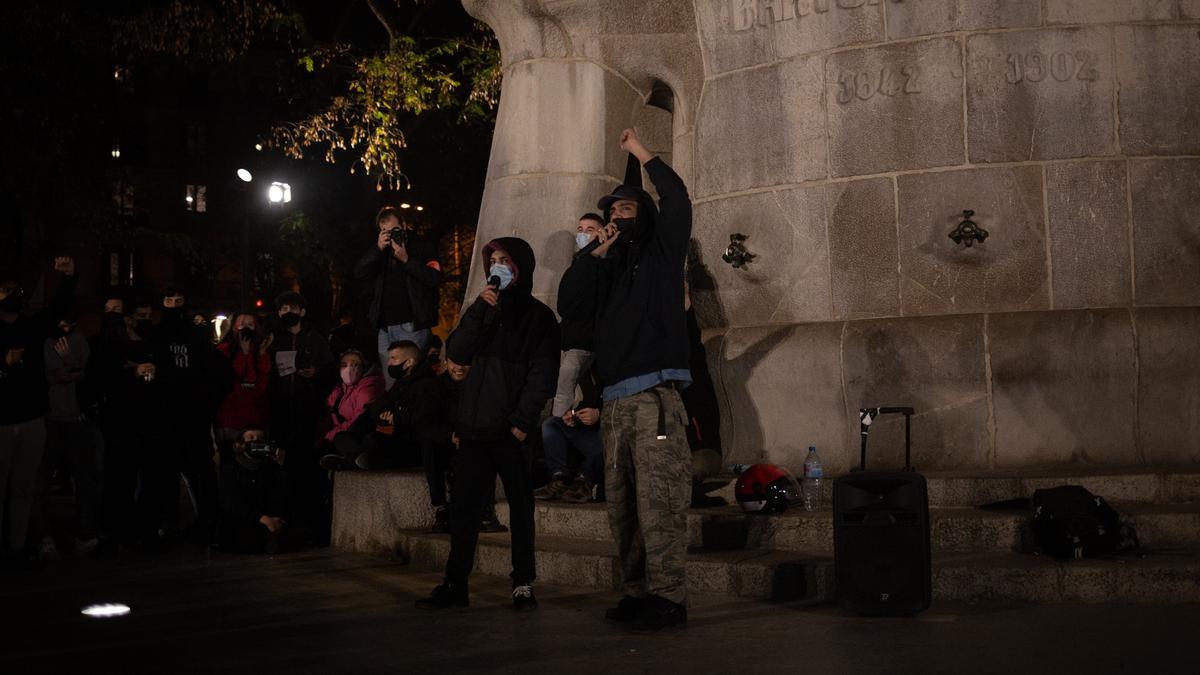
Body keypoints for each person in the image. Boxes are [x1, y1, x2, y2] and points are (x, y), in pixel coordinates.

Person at [558, 128, 693, 631]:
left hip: (653, 398)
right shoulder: (607, 269)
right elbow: (569, 305)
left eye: (625, 211)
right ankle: (636, 592)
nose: (615, 218)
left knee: (660, 504)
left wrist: (640, 154)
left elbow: (676, 198)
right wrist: (594, 255)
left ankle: (669, 597)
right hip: (614, 404)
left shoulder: (661, 255)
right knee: (623, 507)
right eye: (611, 213)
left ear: (645, 219)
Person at [416, 237, 559, 612]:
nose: (498, 266)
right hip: (474, 428)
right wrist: (480, 309)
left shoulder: (539, 317)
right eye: (493, 260)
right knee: (463, 511)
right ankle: (455, 583)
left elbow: (542, 376)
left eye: (505, 261)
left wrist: (521, 424)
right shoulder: (480, 308)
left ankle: (523, 583)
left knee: (520, 509)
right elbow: (458, 352)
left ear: (520, 268)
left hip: (510, 433)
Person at [0, 257, 75, 566]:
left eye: (14, 290)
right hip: (1, 422)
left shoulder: (30, 326)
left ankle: (17, 547)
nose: (11, 295)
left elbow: (55, 312)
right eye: (4, 290)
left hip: (31, 419)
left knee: (24, 488)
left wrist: (68, 279)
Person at [89, 297, 173, 550]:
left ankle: (148, 529)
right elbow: (104, 381)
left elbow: (169, 377)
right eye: (137, 316)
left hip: (152, 422)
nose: (141, 322)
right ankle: (118, 530)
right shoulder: (111, 346)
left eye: (146, 316)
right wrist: (132, 374)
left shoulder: (155, 345)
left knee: (152, 479)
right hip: (122, 424)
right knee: (120, 478)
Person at [154, 289, 227, 542]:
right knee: (166, 472)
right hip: (165, 418)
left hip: (194, 418)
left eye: (178, 301)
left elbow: (216, 373)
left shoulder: (197, 335)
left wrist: (206, 406)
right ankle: (168, 524)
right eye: (168, 301)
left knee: (202, 471)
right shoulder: (156, 334)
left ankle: (207, 523)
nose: (173, 306)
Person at [32, 307, 101, 558]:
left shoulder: (79, 340)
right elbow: (57, 375)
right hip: (50, 418)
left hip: (76, 419)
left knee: (85, 478)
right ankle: (44, 537)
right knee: (40, 480)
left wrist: (70, 363)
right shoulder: (47, 340)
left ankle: (86, 533)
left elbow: (86, 373)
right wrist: (72, 367)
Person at [267, 291, 335, 543]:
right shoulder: (274, 339)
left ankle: (312, 527)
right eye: (283, 308)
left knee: (305, 468)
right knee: (281, 467)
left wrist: (315, 373)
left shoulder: (316, 339)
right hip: (281, 410)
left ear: (302, 311)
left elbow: (330, 371)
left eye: (292, 308)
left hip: (308, 410)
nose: (287, 312)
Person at [355, 207, 442, 388]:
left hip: (411, 323)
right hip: (385, 326)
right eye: (384, 231)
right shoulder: (381, 252)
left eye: (394, 230)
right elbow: (359, 274)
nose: (390, 235)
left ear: (403, 225)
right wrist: (377, 249)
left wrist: (407, 260)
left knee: (411, 376)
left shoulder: (421, 246)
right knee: (389, 380)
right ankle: (392, 413)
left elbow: (434, 278)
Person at [217, 427, 295, 553]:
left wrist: (282, 465)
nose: (256, 441)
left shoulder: (270, 466)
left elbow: (283, 494)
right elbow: (232, 502)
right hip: (244, 521)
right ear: (241, 443)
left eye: (260, 438)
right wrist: (263, 519)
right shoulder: (231, 467)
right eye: (251, 437)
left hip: (267, 519)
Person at [534, 361, 603, 503]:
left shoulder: (607, 372)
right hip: (583, 433)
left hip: (604, 436)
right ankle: (559, 479)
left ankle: (584, 481)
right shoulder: (579, 376)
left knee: (605, 437)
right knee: (551, 424)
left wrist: (599, 413)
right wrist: (573, 417)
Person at [215, 313, 273, 445]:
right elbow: (233, 376)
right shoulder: (223, 350)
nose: (245, 327)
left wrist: (262, 353)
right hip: (231, 412)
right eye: (241, 324)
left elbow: (263, 378)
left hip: (256, 412)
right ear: (234, 327)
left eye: (250, 324)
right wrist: (244, 353)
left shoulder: (259, 349)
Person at [321, 349, 384, 452]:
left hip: (357, 435)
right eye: (344, 365)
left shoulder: (369, 386)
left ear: (364, 366)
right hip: (337, 434)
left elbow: (358, 420)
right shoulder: (339, 388)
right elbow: (327, 414)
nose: (349, 369)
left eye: (355, 364)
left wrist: (328, 436)